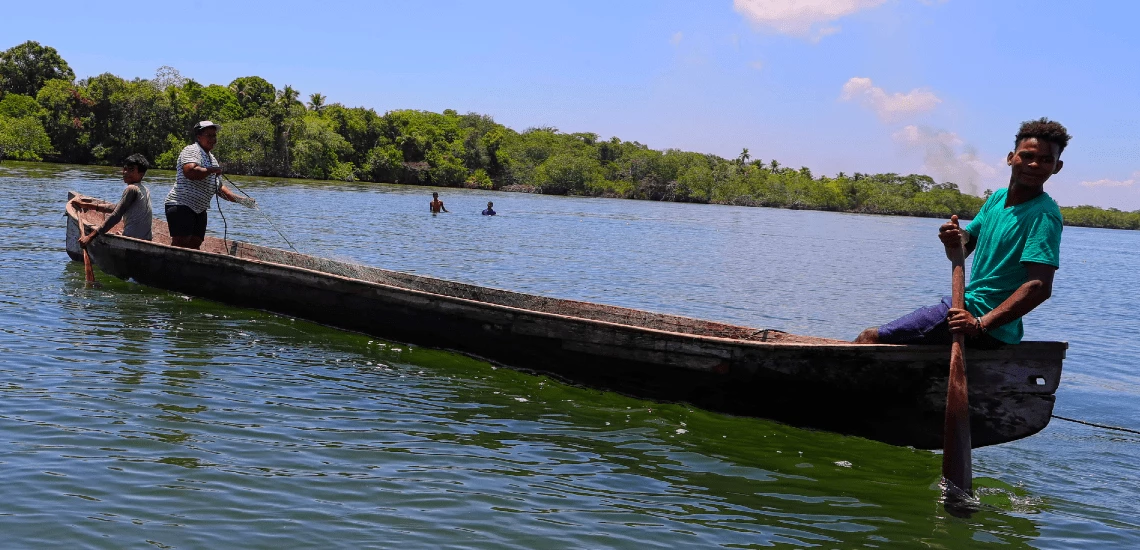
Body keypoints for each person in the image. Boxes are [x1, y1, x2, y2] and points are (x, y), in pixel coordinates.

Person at [854, 118, 1070, 348]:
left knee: (870, 339)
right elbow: (964, 247)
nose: (1034, 165)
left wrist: (980, 324)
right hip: (965, 309)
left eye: (1046, 160)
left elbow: (1039, 286)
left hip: (984, 323)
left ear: (1057, 167)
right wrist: (953, 239)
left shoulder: (1043, 215)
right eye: (1027, 156)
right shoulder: (997, 199)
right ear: (1010, 158)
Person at [164, 121, 254, 249]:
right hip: (181, 204)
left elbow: (219, 188)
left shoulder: (212, 159)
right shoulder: (192, 150)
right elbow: (190, 172)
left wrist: (242, 201)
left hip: (199, 209)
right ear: (199, 137)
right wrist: (211, 170)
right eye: (209, 135)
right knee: (181, 241)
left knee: (196, 243)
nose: (213, 139)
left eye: (214, 136)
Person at [77, 154, 154, 246]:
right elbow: (117, 208)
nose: (125, 172)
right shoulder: (144, 189)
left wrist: (90, 237)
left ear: (141, 174)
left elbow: (116, 215)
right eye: (125, 168)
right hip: (147, 239)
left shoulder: (132, 189)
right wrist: (88, 205)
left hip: (133, 241)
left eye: (131, 170)